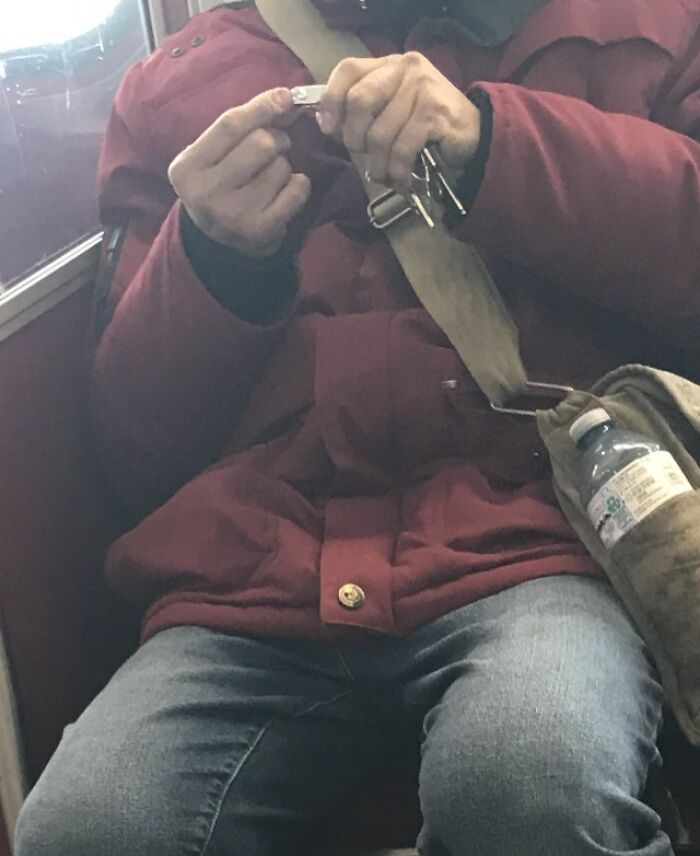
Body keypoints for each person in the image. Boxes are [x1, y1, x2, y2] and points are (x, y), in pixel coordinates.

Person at [14, 0, 700, 854]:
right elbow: (133, 452)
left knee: (527, 782)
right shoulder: (179, 78)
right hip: (256, 578)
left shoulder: (655, 22)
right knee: (87, 830)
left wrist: (496, 147)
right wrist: (213, 265)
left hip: (537, 542)